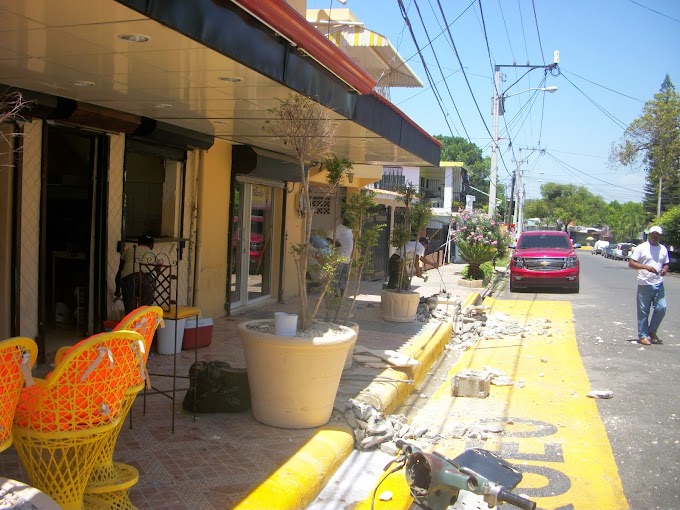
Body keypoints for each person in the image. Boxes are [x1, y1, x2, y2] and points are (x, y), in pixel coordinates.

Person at [628, 226, 669, 345]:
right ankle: (643, 335)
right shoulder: (642, 248)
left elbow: (666, 263)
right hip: (644, 282)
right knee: (643, 311)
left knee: (661, 308)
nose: (655, 236)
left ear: (660, 236)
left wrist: (664, 270)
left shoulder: (663, 249)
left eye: (657, 234)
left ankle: (652, 331)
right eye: (653, 234)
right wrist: (646, 267)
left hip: (658, 282)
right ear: (649, 235)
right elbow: (631, 263)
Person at [115, 233, 157, 314]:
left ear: (138, 243)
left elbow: (120, 271)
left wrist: (117, 290)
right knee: (145, 311)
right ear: (152, 245)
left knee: (130, 312)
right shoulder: (152, 254)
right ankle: (143, 324)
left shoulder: (128, 250)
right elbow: (159, 267)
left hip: (129, 278)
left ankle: (131, 325)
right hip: (147, 280)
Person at [327, 221, 354, 294]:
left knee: (343, 278)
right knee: (336, 277)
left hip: (346, 259)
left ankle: (342, 295)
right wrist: (337, 244)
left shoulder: (350, 229)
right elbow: (329, 237)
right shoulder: (339, 228)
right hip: (340, 257)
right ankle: (334, 293)